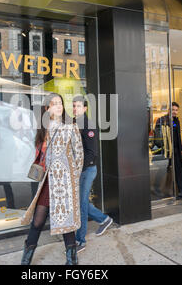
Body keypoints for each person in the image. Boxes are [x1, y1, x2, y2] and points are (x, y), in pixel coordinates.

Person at [20, 93, 84, 265]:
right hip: (47, 182)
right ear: (47, 109)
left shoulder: (70, 127)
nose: (58, 106)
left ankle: (72, 259)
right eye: (54, 104)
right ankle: (26, 258)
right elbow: (40, 155)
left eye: (60, 103)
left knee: (66, 220)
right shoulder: (44, 129)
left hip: (65, 183)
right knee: (38, 220)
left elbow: (79, 155)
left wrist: (73, 179)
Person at [72, 95, 113, 253]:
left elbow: (92, 153)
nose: (75, 109)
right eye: (74, 106)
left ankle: (80, 241)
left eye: (78, 106)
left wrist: (79, 169)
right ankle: (104, 219)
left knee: (81, 205)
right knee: (81, 202)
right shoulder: (75, 123)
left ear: (85, 108)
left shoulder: (88, 125)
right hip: (79, 170)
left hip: (87, 170)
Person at [154, 102, 182, 199]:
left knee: (179, 170)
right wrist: (164, 147)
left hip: (176, 150)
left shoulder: (176, 120)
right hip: (167, 150)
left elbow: (178, 136)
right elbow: (157, 137)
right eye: (173, 109)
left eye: (176, 110)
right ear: (169, 110)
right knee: (163, 170)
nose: (174, 112)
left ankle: (181, 191)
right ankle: (156, 188)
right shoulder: (162, 120)